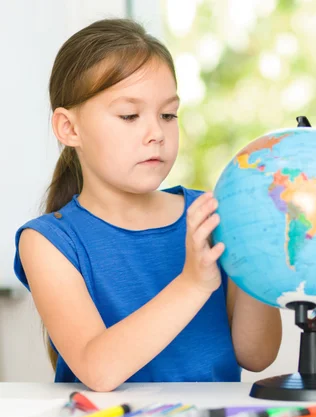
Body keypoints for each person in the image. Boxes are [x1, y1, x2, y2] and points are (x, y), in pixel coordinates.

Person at [14, 18, 281, 392]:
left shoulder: (210, 216)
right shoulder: (47, 242)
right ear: (69, 128)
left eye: (168, 115)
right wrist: (192, 284)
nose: (156, 133)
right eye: (129, 115)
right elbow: (98, 370)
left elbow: (257, 354)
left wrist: (258, 259)